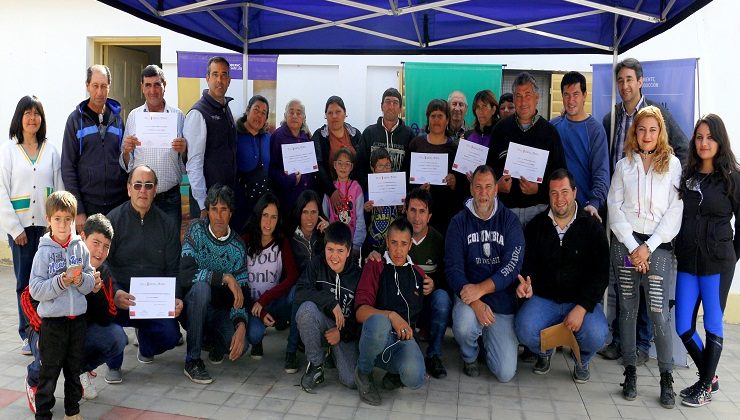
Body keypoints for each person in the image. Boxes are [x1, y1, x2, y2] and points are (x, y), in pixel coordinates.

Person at [600, 58, 689, 362]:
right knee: (624, 289)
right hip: (622, 215)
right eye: (620, 80)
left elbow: (683, 148)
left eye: (629, 79)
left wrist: (667, 175)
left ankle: (642, 345)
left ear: (640, 81)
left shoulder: (658, 114)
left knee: (650, 295)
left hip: (654, 230)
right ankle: (621, 343)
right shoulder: (609, 118)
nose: (624, 86)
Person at [607, 106, 683, 409]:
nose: (647, 135)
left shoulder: (674, 165)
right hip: (625, 245)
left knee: (657, 313)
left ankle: (666, 378)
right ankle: (629, 374)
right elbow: (614, 206)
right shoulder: (623, 165)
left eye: (653, 130)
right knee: (626, 310)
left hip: (657, 247)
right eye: (642, 129)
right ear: (634, 132)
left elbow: (675, 212)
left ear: (660, 132)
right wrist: (631, 245)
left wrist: (647, 248)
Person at [22, 214, 128, 410]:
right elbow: (28, 296)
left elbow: (108, 317)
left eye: (106, 246)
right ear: (82, 237)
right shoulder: (60, 258)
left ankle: (79, 371)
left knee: (116, 337)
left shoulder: (103, 272)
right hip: (48, 329)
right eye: (95, 242)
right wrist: (43, 327)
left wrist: (97, 291)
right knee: (48, 348)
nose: (100, 251)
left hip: (78, 331)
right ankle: (34, 380)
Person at [514, 169, 609, 383]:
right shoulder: (537, 225)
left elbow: (600, 274)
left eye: (564, 191)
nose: (559, 199)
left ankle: (581, 359)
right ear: (548, 195)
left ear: (575, 192)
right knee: (524, 328)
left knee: (598, 335)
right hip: (545, 299)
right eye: (554, 193)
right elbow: (527, 265)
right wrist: (526, 284)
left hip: (579, 301)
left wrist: (582, 307)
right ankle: (545, 353)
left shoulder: (592, 227)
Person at [674, 114, 740, 407]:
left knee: (713, 323)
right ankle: (708, 378)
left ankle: (703, 386)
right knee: (683, 326)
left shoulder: (733, 177)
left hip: (718, 262)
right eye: (699, 137)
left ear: (720, 141)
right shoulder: (687, 176)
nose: (704, 143)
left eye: (710, 137)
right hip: (689, 260)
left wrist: (732, 255)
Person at [105, 165, 183, 384]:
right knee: (110, 328)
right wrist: (116, 292)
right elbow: (103, 265)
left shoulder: (167, 224)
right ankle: (113, 363)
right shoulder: (113, 220)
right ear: (128, 189)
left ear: (155, 190)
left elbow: (173, 268)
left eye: (148, 186)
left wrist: (176, 297)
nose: (143, 190)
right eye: (137, 185)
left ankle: (146, 345)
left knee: (171, 336)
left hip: (153, 302)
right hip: (120, 298)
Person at [446, 165, 524, 382]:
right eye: (478, 187)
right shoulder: (458, 222)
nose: (483, 193)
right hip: (469, 298)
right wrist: (476, 303)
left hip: (500, 300)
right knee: (463, 324)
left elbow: (512, 267)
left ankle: (485, 340)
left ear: (496, 189)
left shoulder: (509, 221)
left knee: (505, 373)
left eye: (488, 187)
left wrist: (482, 289)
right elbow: (453, 269)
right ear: (471, 189)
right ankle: (469, 356)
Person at [1, 95, 64, 355]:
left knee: (48, 281)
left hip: (47, 229)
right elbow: (2, 192)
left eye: (36, 113)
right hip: (22, 230)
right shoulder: (9, 151)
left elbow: (59, 189)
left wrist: (59, 225)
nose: (32, 118)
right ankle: (28, 333)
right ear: (20, 118)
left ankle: (45, 330)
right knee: (25, 284)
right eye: (27, 113)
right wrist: (15, 229)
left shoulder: (50, 149)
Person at [29, 191, 95, 420]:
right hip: (52, 324)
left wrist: (80, 280)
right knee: (49, 372)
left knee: (74, 370)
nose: (63, 224)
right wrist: (60, 281)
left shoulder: (81, 248)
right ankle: (43, 413)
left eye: (68, 219)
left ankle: (72, 411)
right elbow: (35, 290)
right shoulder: (43, 252)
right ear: (48, 220)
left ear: (74, 220)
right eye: (57, 218)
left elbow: (89, 283)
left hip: (77, 322)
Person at [353, 218, 433, 406]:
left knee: (416, 377)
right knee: (379, 322)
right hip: (374, 337)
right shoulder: (375, 265)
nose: (398, 250)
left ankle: (395, 372)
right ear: (387, 242)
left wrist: (432, 284)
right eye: (394, 243)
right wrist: (390, 315)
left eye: (403, 244)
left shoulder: (418, 274)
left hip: (402, 340)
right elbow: (360, 311)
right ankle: (363, 373)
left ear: (410, 245)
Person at [178, 184, 251, 385]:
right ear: (207, 211)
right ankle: (192, 360)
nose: (218, 215)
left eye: (224, 209)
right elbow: (185, 275)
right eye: (214, 209)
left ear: (231, 213)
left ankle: (210, 342)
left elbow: (242, 292)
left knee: (242, 345)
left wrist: (241, 325)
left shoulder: (237, 246)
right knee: (201, 288)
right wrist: (224, 277)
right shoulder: (196, 230)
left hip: (219, 311)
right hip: (191, 306)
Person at [488, 72, 567, 226]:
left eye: (528, 95)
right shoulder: (500, 129)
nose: (523, 101)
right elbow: (489, 169)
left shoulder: (550, 132)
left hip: (539, 211)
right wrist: (497, 185)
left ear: (537, 98)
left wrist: (539, 189)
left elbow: (560, 175)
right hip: (505, 211)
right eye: (518, 96)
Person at [295, 222, 363, 393]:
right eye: (330, 249)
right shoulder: (317, 264)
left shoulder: (358, 274)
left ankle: (333, 353)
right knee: (306, 310)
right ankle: (316, 364)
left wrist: (342, 333)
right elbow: (300, 292)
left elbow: (362, 316)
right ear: (324, 247)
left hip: (345, 332)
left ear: (348, 251)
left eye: (340, 251)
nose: (334, 256)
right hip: (322, 323)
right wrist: (331, 302)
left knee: (351, 381)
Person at [61, 64, 127, 233]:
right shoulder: (75, 120)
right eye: (95, 86)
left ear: (109, 86)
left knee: (115, 254)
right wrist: (79, 210)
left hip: (117, 205)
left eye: (104, 86)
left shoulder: (118, 120)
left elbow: (127, 163)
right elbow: (68, 167)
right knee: (90, 256)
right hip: (88, 206)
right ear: (87, 86)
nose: (99, 92)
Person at [120, 65, 187, 228]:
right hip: (140, 197)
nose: (153, 90)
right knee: (140, 247)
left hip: (170, 198)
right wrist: (127, 151)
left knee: (170, 247)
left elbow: (186, 162)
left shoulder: (178, 116)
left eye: (157, 84)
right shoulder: (133, 116)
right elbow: (125, 163)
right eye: (148, 85)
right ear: (142, 87)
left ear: (165, 85)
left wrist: (184, 150)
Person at [244, 193, 301, 373]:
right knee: (254, 335)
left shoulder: (282, 242)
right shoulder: (244, 241)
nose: (268, 222)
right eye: (265, 215)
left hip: (273, 302)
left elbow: (292, 276)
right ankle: (257, 342)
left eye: (274, 217)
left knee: (296, 295)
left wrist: (265, 300)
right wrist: (259, 310)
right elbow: (239, 283)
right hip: (251, 305)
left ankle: (292, 350)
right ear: (258, 216)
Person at [550, 71, 609, 221]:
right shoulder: (553, 126)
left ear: (585, 95)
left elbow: (601, 173)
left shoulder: (595, 130)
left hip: (584, 210)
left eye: (575, 94)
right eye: (566, 95)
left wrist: (594, 203)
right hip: (556, 209)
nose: (571, 100)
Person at [184, 56, 237, 220]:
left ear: (229, 80)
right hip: (208, 205)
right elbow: (194, 163)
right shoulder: (198, 113)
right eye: (215, 74)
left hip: (224, 201)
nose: (219, 80)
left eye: (223, 75)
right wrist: (202, 204)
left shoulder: (224, 108)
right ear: (207, 78)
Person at [403, 99, 464, 236]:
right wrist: (418, 191)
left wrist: (454, 183)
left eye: (440, 116)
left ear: (447, 120)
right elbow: (405, 177)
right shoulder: (416, 144)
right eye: (433, 116)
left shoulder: (454, 148)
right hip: (417, 217)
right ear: (428, 119)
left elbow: (462, 188)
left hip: (444, 215)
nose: (436, 120)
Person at [314, 96, 367, 209]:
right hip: (329, 195)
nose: (334, 116)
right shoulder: (319, 136)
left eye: (338, 112)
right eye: (330, 113)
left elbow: (362, 163)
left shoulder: (356, 134)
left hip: (355, 193)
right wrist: (331, 191)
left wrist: (358, 189)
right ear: (325, 116)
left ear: (345, 114)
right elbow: (318, 166)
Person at [269, 99, 319, 218]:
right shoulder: (278, 135)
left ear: (303, 117)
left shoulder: (306, 136)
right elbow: (272, 169)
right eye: (291, 112)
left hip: (306, 198)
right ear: (285, 115)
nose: (295, 116)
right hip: (287, 198)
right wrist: (290, 180)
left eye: (299, 112)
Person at [234, 95, 272, 232]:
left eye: (264, 113)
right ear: (247, 110)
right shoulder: (234, 135)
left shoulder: (269, 138)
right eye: (256, 110)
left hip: (263, 205)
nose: (259, 116)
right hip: (239, 205)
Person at [322, 148, 366, 260]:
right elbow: (325, 215)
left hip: (351, 244)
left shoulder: (356, 188)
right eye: (339, 163)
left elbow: (360, 218)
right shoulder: (330, 190)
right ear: (334, 165)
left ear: (351, 167)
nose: (343, 167)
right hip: (334, 244)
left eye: (347, 164)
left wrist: (356, 245)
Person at [360, 87, 415, 172]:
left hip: (400, 185)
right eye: (388, 102)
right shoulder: (369, 133)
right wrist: (369, 184)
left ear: (400, 109)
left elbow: (412, 166)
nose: (391, 106)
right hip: (373, 185)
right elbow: (361, 166)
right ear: (382, 106)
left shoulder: (409, 134)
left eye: (395, 103)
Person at [362, 147, 401, 259]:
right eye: (380, 166)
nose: (384, 169)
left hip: (394, 245)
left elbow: (404, 217)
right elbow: (360, 221)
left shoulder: (398, 190)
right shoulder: (366, 193)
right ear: (373, 168)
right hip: (372, 245)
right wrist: (366, 209)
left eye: (387, 165)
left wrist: (402, 208)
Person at [290, 190, 330, 276]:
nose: (309, 218)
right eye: (305, 212)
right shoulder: (290, 238)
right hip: (299, 286)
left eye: (313, 212)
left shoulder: (325, 235)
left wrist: (330, 234)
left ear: (319, 213)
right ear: (299, 212)